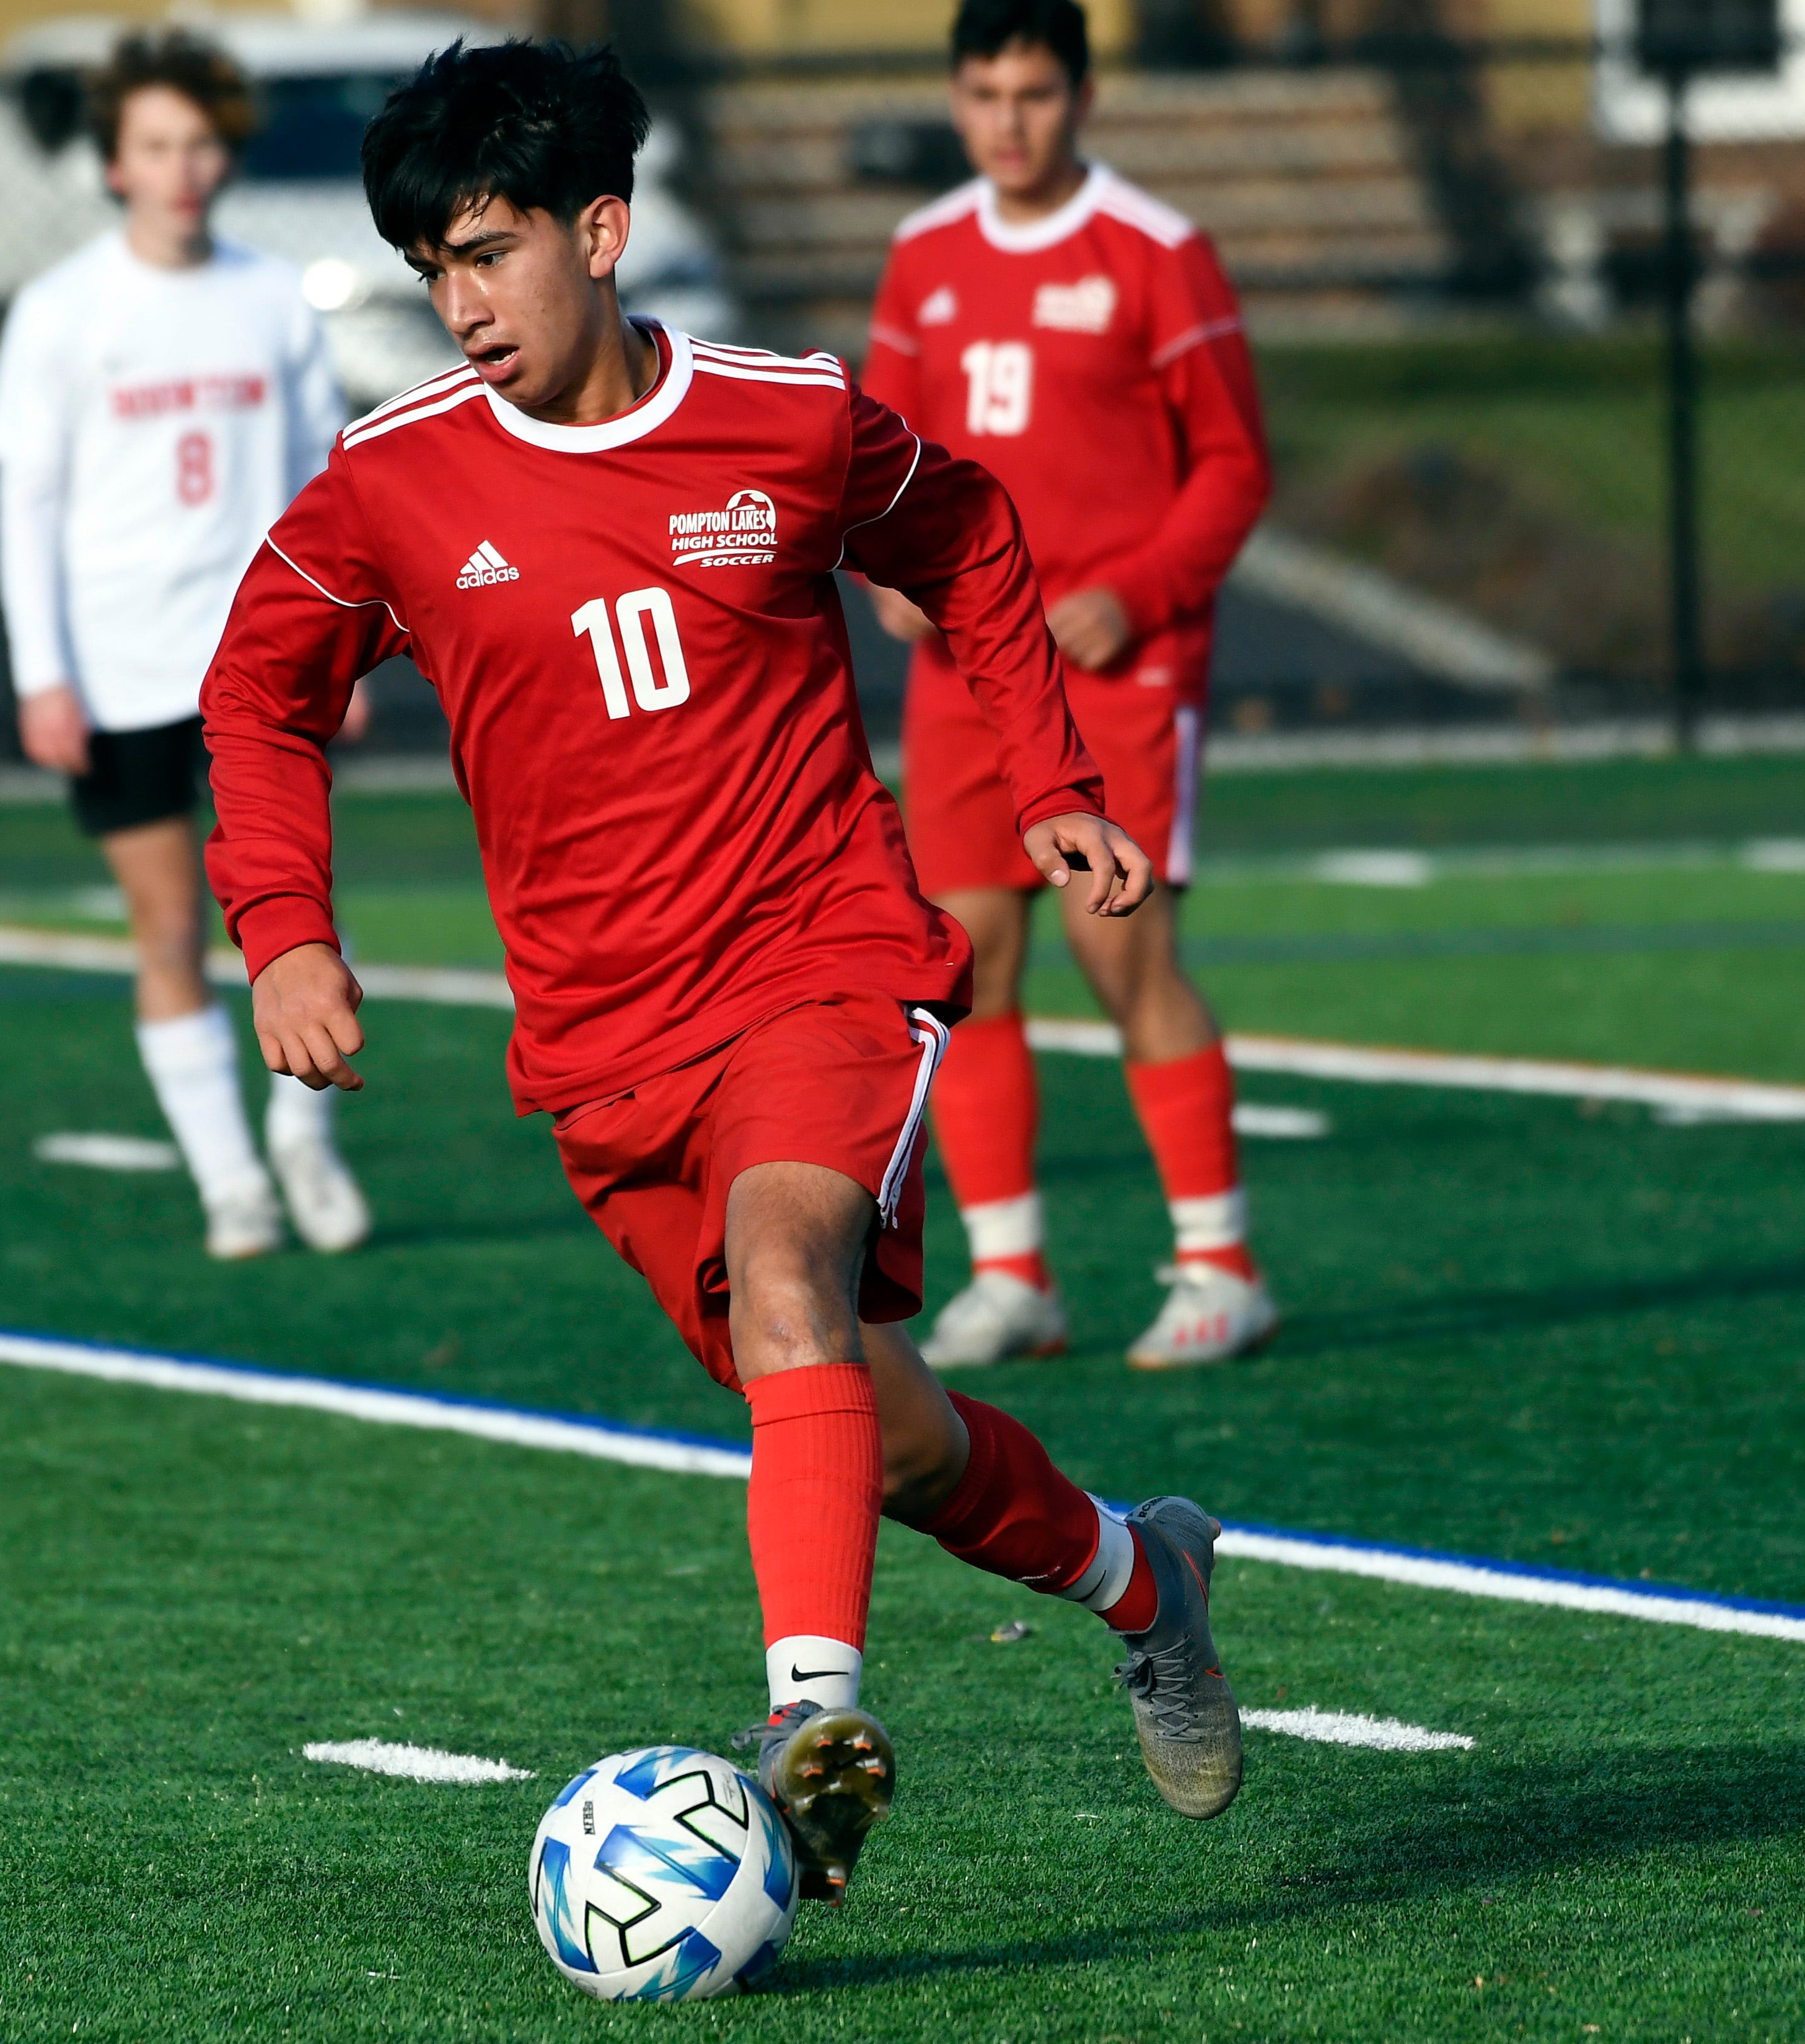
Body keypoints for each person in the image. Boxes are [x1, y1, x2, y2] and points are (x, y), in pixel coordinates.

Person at [201, 39, 1241, 1906]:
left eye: (491, 252)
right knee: (878, 1427)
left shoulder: (788, 421)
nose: (459, 303)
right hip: (602, 1049)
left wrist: (1057, 782)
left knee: (787, 1268)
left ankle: (805, 1725)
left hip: (822, 956)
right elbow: (257, 693)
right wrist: (284, 927)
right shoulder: (393, 484)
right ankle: (1146, 1576)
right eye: (432, 266)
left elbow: (976, 540)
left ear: (601, 234)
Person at [861, 0, 1279, 1371]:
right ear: (953, 96)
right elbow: (874, 455)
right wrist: (883, 569)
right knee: (959, 969)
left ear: (1081, 95)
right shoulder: (922, 254)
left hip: (1114, 672)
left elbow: (1232, 467)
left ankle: (1218, 1268)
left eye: (1032, 91)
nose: (1006, 119)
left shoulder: (1156, 253)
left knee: (1123, 954)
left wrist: (1134, 592)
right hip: (962, 674)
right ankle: (1013, 1275)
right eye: (982, 92)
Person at [0, 29, 370, 1261]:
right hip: (119, 670)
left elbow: (326, 484)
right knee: (168, 931)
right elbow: (26, 503)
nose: (182, 169)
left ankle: (304, 1148)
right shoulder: (60, 314)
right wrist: (42, 674)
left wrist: (347, 648)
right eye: (155, 147)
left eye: (201, 143)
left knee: (298, 918)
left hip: (263, 668)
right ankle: (229, 1183)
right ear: (114, 166)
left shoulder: (272, 297)